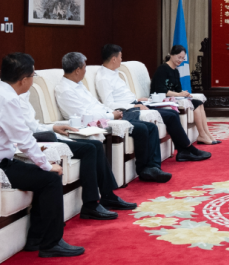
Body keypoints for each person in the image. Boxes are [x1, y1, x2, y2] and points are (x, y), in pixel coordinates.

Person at [0, 53, 82, 258]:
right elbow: (24, 139)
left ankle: (36, 239)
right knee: (51, 178)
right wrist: (47, 165)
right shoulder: (8, 99)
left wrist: (41, 162)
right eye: (33, 75)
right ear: (24, 80)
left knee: (43, 176)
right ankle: (51, 243)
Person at [19, 87, 136, 220]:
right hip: (36, 140)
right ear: (23, 80)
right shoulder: (14, 99)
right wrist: (50, 130)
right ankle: (90, 204)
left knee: (96, 145)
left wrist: (54, 127)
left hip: (43, 134)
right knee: (88, 149)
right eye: (31, 77)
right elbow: (30, 130)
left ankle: (108, 195)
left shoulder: (22, 94)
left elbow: (34, 125)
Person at [54, 52, 173, 183]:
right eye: (84, 67)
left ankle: (153, 167)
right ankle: (144, 169)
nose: (85, 71)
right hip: (95, 123)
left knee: (150, 127)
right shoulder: (65, 90)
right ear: (77, 70)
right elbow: (84, 116)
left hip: (107, 115)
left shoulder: (78, 84)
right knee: (142, 128)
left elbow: (97, 104)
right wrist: (111, 115)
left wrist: (112, 112)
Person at [97, 44, 209, 161]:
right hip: (129, 109)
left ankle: (184, 150)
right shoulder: (103, 78)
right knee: (170, 116)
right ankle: (187, 149)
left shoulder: (114, 73)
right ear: (114, 59)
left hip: (136, 103)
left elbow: (121, 96)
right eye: (120, 57)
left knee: (172, 113)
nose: (121, 59)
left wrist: (137, 99)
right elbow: (109, 104)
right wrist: (134, 105)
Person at [152, 44, 219, 145]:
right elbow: (161, 90)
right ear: (171, 55)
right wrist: (179, 94)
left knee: (199, 103)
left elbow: (178, 89)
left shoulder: (176, 71)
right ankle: (201, 134)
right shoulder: (162, 69)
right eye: (179, 57)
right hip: (161, 99)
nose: (180, 60)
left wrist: (185, 94)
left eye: (183, 58)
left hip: (173, 98)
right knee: (195, 104)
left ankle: (207, 133)